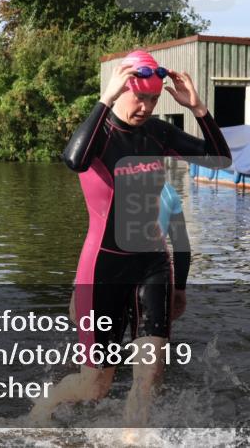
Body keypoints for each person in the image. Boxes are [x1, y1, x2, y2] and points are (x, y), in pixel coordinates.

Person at [31, 49, 230, 426]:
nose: (146, 106)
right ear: (121, 89)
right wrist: (103, 100)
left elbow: (220, 159)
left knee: (150, 373)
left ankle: (131, 438)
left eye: (153, 99)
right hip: (104, 266)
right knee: (96, 386)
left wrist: (200, 110)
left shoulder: (158, 133)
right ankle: (44, 407)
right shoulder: (101, 135)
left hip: (152, 262)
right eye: (140, 96)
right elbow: (74, 160)